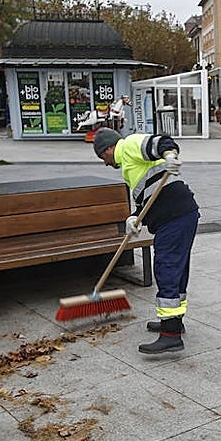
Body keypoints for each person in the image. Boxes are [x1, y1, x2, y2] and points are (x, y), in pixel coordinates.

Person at [92, 128, 199, 354]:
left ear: (109, 148)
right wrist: (135, 217)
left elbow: (160, 142)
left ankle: (170, 336)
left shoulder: (129, 145)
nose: (104, 162)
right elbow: (148, 196)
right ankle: (174, 323)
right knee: (176, 270)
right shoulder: (130, 166)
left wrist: (170, 154)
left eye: (103, 156)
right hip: (177, 215)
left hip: (175, 216)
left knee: (167, 268)